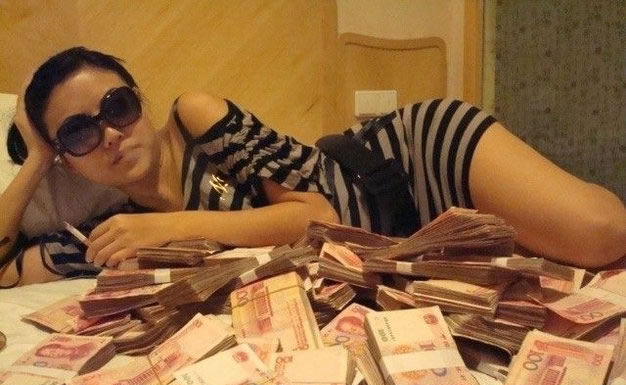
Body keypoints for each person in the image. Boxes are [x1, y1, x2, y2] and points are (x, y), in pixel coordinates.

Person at [1, 47, 625, 287]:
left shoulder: (194, 117)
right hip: (409, 252)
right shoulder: (112, 232)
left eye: (117, 106)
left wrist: (166, 227)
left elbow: (315, 217)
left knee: (603, 235)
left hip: (405, 164)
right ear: (69, 161)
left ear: (139, 99)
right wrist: (34, 163)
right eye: (79, 132)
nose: (110, 133)